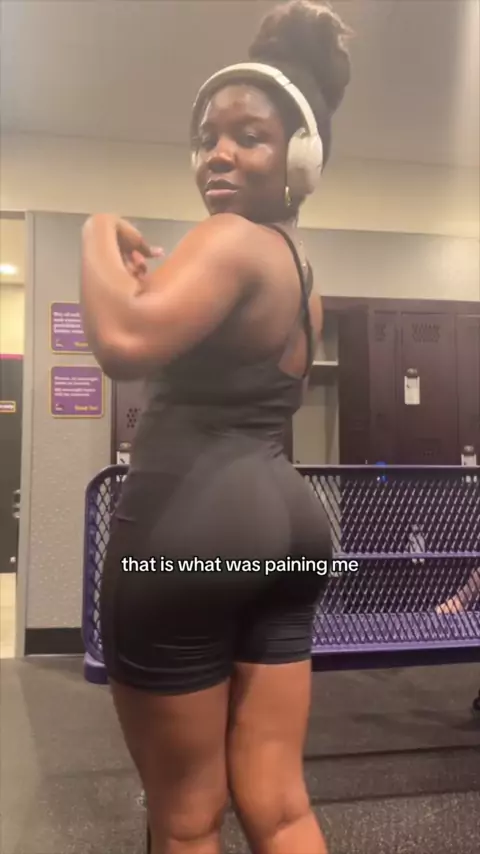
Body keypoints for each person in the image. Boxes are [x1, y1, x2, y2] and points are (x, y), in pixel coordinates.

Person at [80, 2, 351, 852]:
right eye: (207, 139)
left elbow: (125, 341)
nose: (218, 155)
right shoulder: (302, 274)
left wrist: (93, 231)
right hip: (288, 529)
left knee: (188, 817)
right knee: (280, 804)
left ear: (300, 158)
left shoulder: (230, 239)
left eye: (249, 137)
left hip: (187, 536)